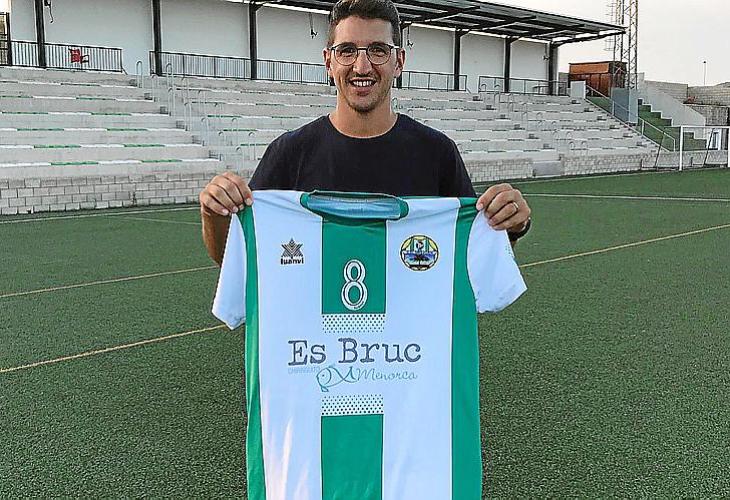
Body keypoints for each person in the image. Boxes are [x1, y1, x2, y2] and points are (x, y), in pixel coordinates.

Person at [199, 0, 532, 265]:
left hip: (407, 333)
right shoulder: (289, 153)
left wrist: (511, 225)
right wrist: (213, 213)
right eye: (346, 51)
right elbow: (237, 259)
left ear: (398, 62)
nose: (361, 66)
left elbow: (473, 258)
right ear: (328, 62)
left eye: (378, 50)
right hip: (317, 333)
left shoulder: (437, 152)